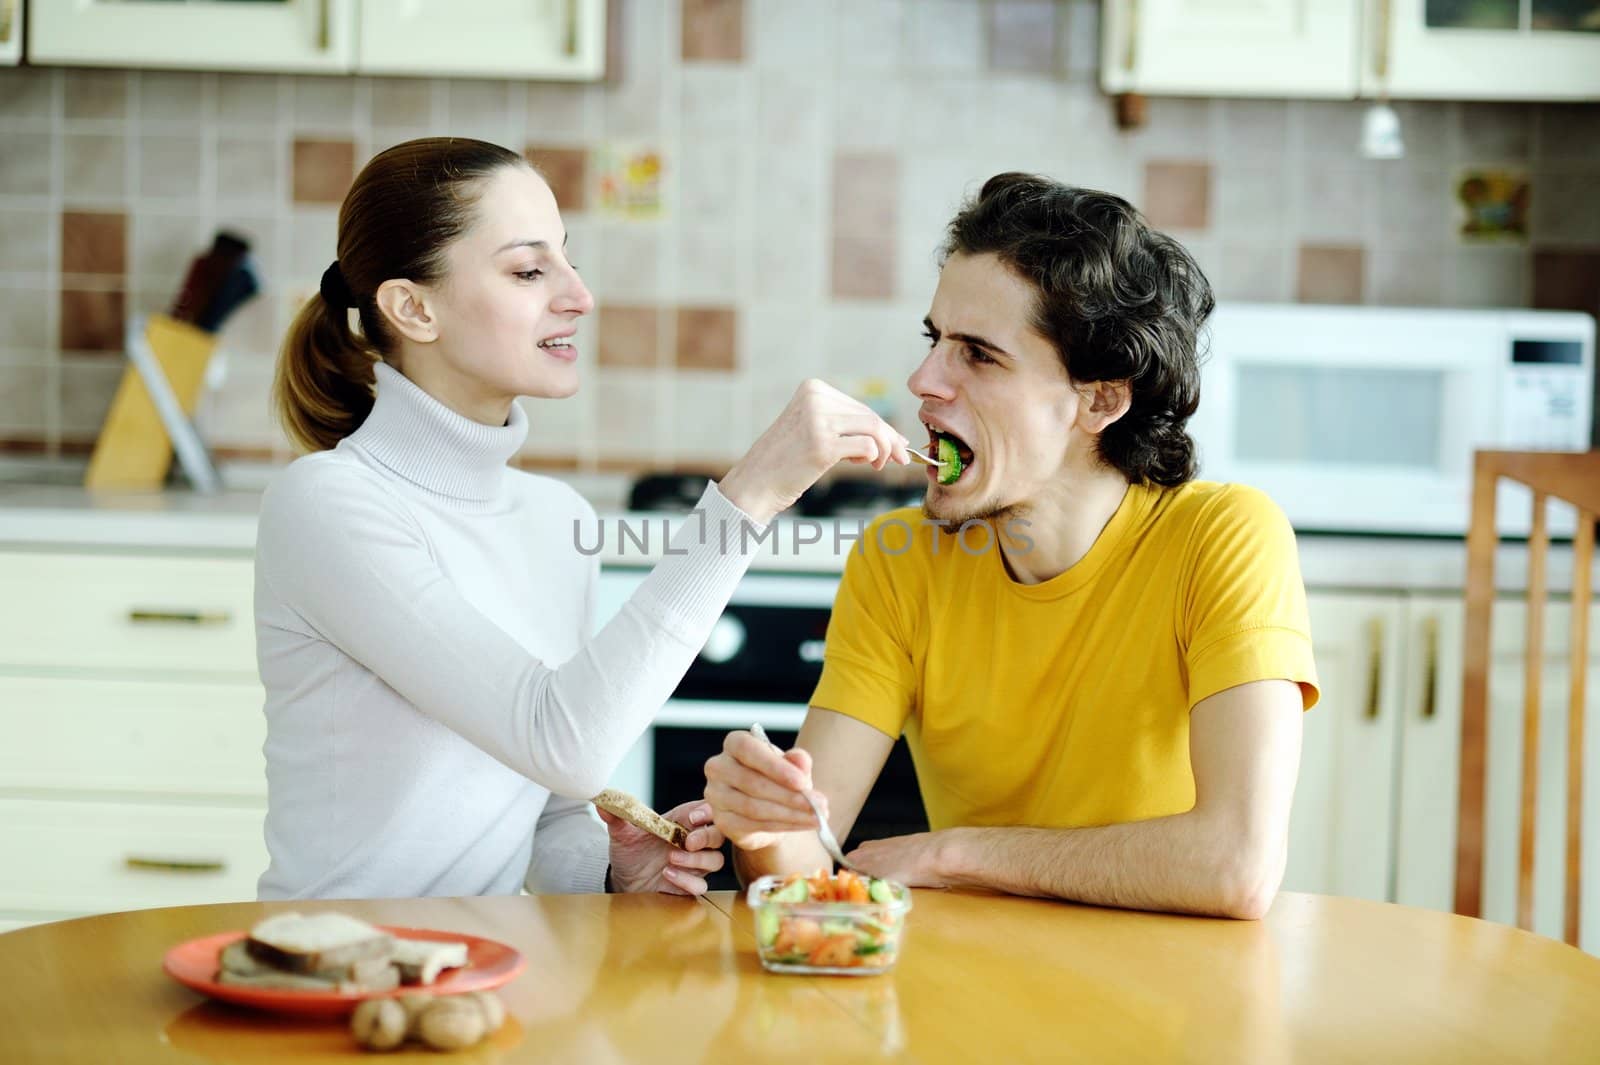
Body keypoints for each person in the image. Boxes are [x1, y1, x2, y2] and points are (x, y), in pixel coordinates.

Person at [254, 137, 913, 900]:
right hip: (330, 975)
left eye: (568, 261)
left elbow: (550, 807)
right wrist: (750, 495)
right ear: (413, 306)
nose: (578, 295)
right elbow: (562, 741)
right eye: (530, 270)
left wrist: (611, 870)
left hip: (484, 978)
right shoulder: (329, 506)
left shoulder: (551, 517)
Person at [704, 173, 1321, 920]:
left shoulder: (1223, 540)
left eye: (979, 355)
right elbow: (803, 859)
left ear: (1099, 399)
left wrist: (955, 853)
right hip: (975, 1000)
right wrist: (764, 824)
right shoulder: (899, 560)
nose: (924, 380)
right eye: (935, 342)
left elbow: (1236, 864)